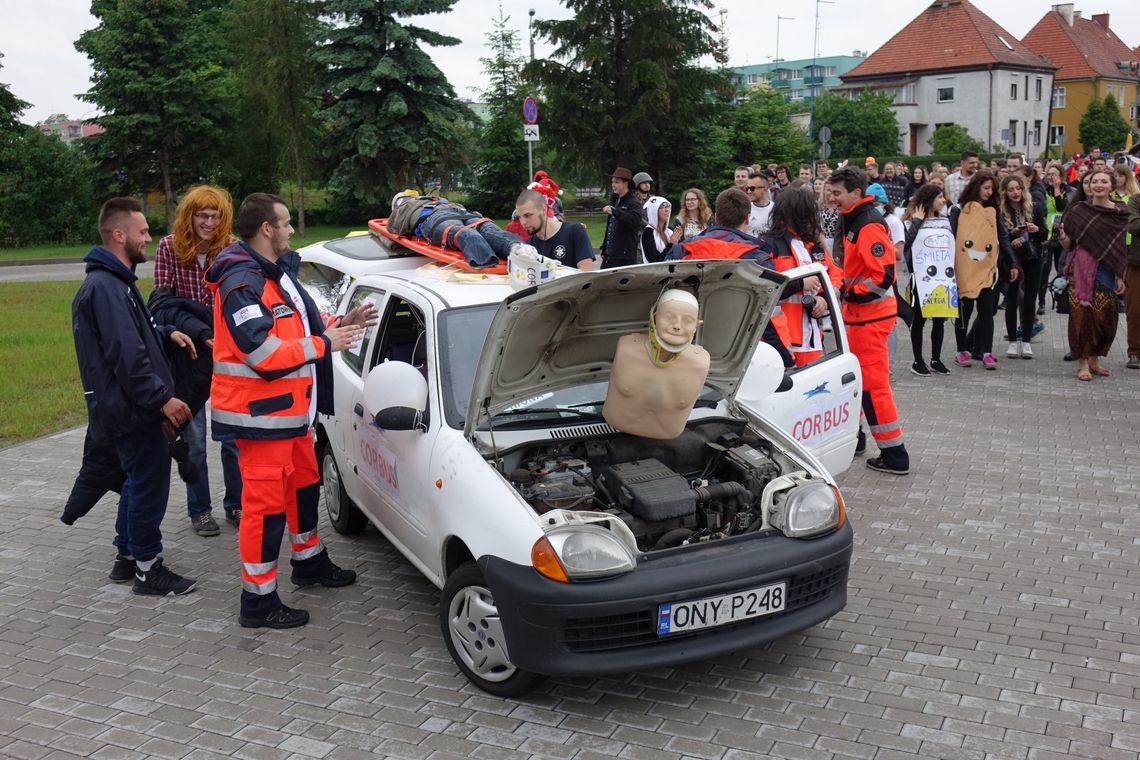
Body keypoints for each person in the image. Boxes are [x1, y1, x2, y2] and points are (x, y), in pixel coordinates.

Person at [206, 193, 375, 629]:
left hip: (293, 417)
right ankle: (258, 602)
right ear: (267, 228)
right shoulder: (241, 282)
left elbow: (296, 326)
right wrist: (324, 344)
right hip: (262, 420)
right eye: (286, 223)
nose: (292, 230)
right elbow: (261, 352)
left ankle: (309, 561)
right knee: (263, 510)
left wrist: (339, 324)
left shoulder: (274, 274)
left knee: (304, 485)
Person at [72, 197, 197, 594]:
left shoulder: (115, 283)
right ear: (118, 234)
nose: (149, 238)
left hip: (129, 408)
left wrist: (163, 333)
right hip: (133, 410)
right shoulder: (106, 288)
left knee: (136, 480)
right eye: (143, 232)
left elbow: (131, 339)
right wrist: (162, 400)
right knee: (148, 483)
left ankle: (127, 556)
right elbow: (126, 357)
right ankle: (147, 567)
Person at [152, 185, 243, 536]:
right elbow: (160, 304)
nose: (208, 222)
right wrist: (180, 329)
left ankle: (236, 504)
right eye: (201, 215)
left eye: (214, 216)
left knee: (233, 439)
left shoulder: (232, 248)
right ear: (189, 216)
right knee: (195, 440)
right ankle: (200, 510)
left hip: (227, 356)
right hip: (187, 357)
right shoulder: (169, 247)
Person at [827, 166, 911, 475]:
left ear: (856, 193)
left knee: (874, 389)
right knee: (863, 385)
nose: (832, 198)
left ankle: (895, 455)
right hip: (863, 318)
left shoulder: (867, 224)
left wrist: (850, 293)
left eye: (837, 193)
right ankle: (860, 439)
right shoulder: (857, 220)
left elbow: (883, 277)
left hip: (871, 318)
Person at [665, 188, 792, 366]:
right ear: (748, 218)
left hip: (686, 345)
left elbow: (666, 298)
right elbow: (767, 310)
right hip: (744, 350)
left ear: (716, 217)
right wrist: (784, 359)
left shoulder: (682, 250)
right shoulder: (758, 258)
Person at [602, 289, 710, 440]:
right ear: (655, 317)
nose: (677, 326)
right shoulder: (626, 348)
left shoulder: (700, 363)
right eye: (669, 317)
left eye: (687, 320)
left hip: (669, 444)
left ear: (697, 325)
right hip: (612, 431)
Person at [1060, 170, 1129, 381]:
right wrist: (1062, 236)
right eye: (1094, 181)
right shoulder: (1079, 210)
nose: (1098, 185)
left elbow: (1120, 248)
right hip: (1080, 269)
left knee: (1106, 319)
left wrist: (1120, 276)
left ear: (1112, 185)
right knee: (1082, 317)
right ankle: (1083, 362)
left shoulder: (1120, 213)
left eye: (1103, 181)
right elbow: (1069, 244)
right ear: (1088, 186)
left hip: (1107, 270)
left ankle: (1095, 359)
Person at [761, 188, 840, 366]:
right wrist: (799, 284)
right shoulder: (768, 244)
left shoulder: (812, 245)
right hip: (780, 339)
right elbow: (762, 288)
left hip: (811, 338)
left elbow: (835, 276)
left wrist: (824, 299)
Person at [951, 170, 1017, 370]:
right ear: (976, 186)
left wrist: (1012, 262)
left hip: (988, 270)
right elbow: (952, 238)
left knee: (987, 311)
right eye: (986, 188)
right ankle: (962, 350)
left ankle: (987, 352)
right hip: (964, 270)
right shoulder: (958, 210)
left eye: (992, 189)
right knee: (964, 312)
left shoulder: (992, 210)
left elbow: (1002, 237)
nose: (989, 192)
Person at [903, 185, 954, 377]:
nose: (943, 200)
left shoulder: (945, 221)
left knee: (940, 319)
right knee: (919, 320)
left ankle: (936, 359)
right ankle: (918, 360)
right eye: (939, 197)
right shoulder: (910, 222)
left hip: (942, 277)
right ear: (929, 199)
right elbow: (906, 244)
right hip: (921, 278)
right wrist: (916, 221)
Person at [997, 174, 1044, 359]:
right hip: (1013, 260)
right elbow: (1001, 237)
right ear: (1005, 193)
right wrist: (1012, 236)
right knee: (1012, 299)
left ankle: (1026, 340)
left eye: (1018, 189)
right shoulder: (1001, 212)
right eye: (1011, 190)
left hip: (1033, 258)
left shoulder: (1035, 208)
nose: (1015, 192)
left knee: (1030, 300)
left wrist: (1036, 230)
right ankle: (1012, 342)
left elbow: (1045, 235)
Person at [514, 189, 595, 270]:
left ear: (543, 209)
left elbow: (586, 275)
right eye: (519, 217)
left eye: (527, 215)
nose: (523, 222)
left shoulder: (574, 232)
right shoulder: (529, 247)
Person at [600, 167, 645, 268]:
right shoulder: (615, 200)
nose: (613, 185)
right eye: (612, 182)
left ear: (625, 184)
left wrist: (615, 211)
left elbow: (634, 221)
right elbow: (610, 226)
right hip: (610, 254)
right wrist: (604, 247)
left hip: (625, 257)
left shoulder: (634, 202)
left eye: (616, 182)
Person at [1040, 163, 1070, 313]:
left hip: (1062, 234)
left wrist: (1058, 188)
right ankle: (1041, 302)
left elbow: (1060, 207)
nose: (1051, 177)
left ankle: (1060, 300)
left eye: (1055, 174)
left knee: (1061, 268)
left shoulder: (1069, 192)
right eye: (1049, 174)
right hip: (1048, 234)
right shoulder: (1043, 192)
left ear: (1062, 176)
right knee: (1044, 270)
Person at [1125, 191, 1140, 369]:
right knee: (1135, 309)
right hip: (1137, 262)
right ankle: (1135, 351)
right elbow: (1133, 224)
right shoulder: (1135, 200)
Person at [641, 196, 677, 263]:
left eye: (667, 206)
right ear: (654, 211)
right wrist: (671, 244)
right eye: (662, 207)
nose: (667, 210)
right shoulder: (648, 232)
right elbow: (655, 260)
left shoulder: (670, 231)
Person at [745, 173, 773, 237]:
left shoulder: (775, 209)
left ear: (765, 189)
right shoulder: (745, 210)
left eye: (752, 188)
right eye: (747, 188)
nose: (749, 191)